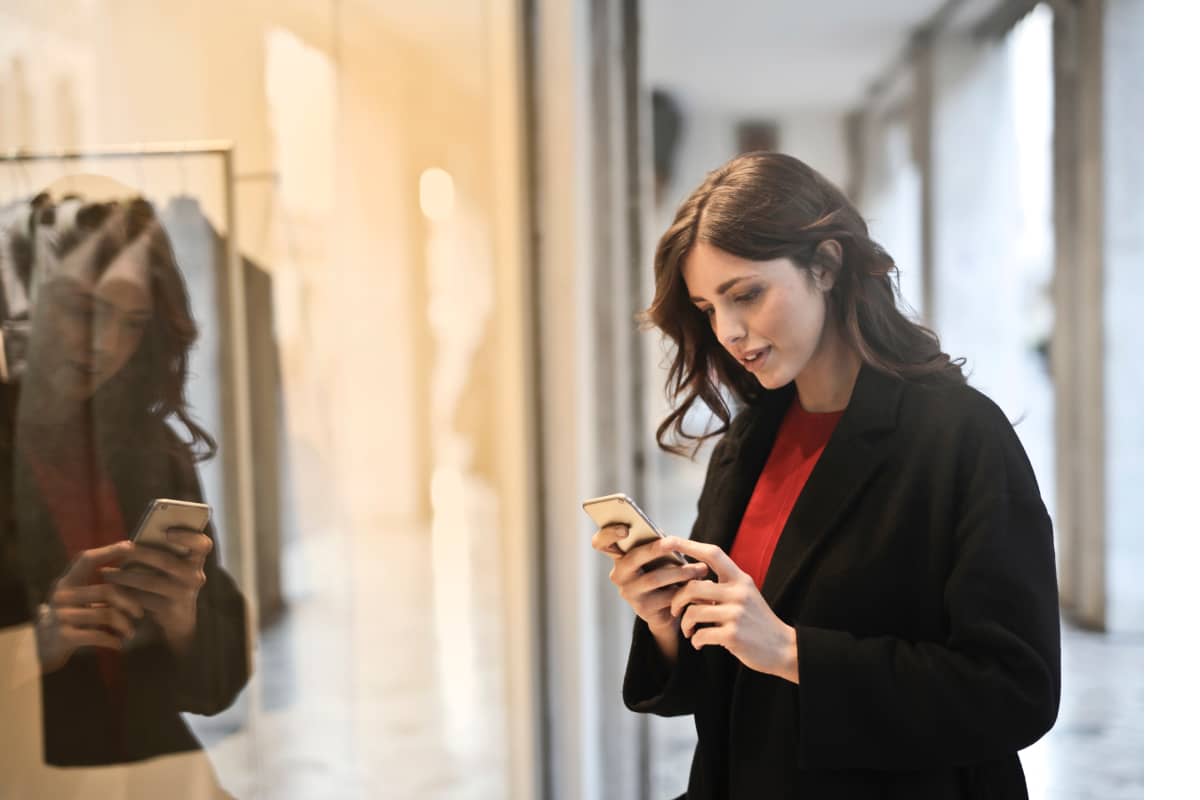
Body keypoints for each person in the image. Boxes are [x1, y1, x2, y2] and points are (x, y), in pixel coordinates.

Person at [591, 152, 1060, 799]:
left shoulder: (960, 435)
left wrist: (791, 651)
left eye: (746, 294)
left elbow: (1017, 690)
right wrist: (669, 622)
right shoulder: (748, 441)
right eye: (706, 308)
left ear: (827, 265)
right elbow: (723, 676)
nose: (728, 331)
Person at [0, 191, 249, 770]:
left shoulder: (151, 449)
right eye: (81, 310)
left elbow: (217, 686)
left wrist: (183, 617)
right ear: (25, 304)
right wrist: (39, 644)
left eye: (131, 322)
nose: (103, 344)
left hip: (146, 766)